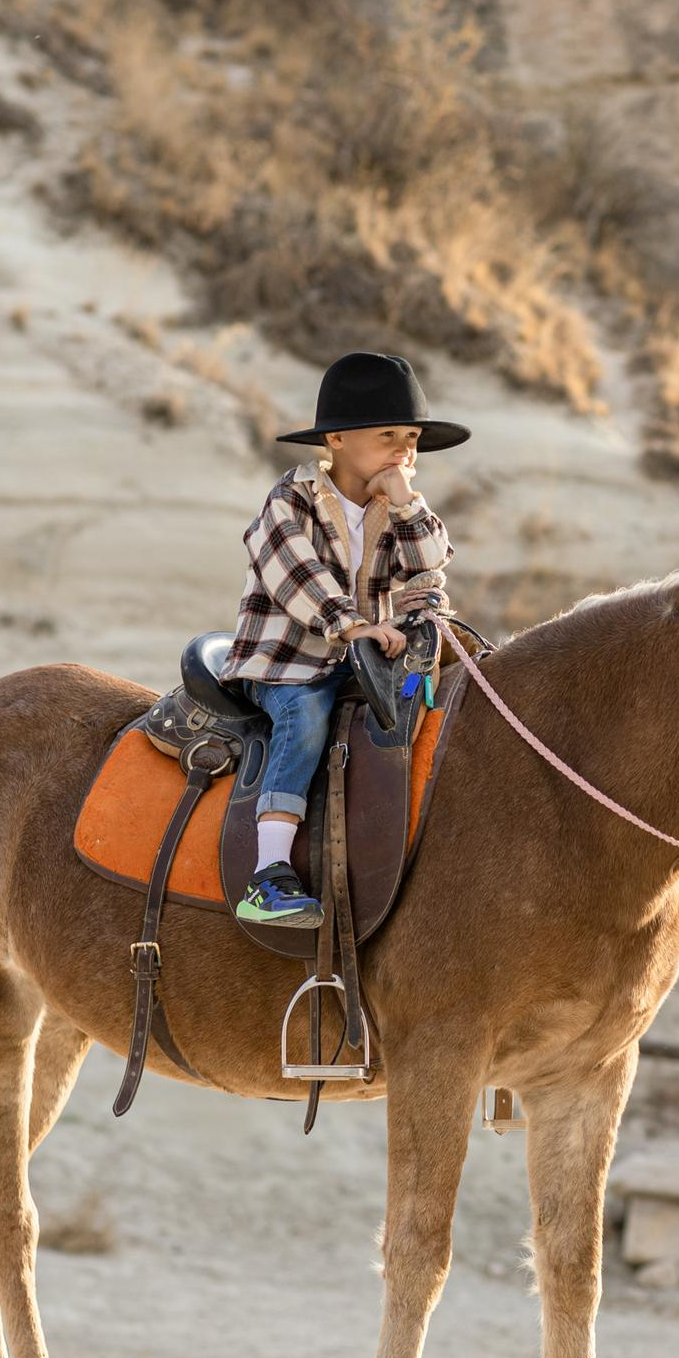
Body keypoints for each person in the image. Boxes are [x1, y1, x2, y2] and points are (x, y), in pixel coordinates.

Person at [222, 352, 464, 928]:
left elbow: (429, 570)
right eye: (388, 436)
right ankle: (269, 875)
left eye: (410, 438)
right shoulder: (292, 500)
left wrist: (406, 506)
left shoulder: (397, 508)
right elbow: (294, 574)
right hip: (287, 664)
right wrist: (351, 624)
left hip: (362, 665)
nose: (404, 450)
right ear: (336, 438)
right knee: (304, 718)